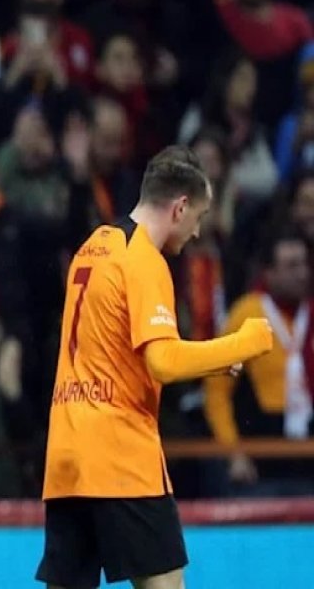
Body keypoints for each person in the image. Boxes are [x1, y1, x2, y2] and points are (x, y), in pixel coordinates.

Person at [35, 145, 274, 589]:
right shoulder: (145, 259)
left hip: (68, 453)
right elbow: (163, 361)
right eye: (198, 217)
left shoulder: (95, 246)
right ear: (179, 207)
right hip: (121, 455)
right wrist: (243, 344)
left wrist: (212, 364)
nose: (197, 231)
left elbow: (120, 351)